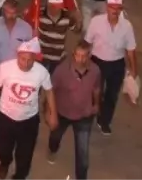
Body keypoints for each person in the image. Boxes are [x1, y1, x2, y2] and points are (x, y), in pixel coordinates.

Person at [0, 38, 58, 180]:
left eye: (29, 60)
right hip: (5, 117)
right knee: (1, 148)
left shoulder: (41, 72)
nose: (25, 63)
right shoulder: (5, 68)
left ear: (35, 58)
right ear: (17, 55)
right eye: (22, 59)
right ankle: (5, 162)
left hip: (29, 121)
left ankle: (19, 176)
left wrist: (53, 113)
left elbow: (49, 92)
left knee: (25, 156)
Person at [82, 0, 137, 136]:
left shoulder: (127, 26)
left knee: (112, 95)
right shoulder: (96, 22)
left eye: (118, 8)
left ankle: (104, 121)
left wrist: (133, 71)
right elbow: (87, 43)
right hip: (97, 62)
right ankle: (91, 114)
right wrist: (83, 63)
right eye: (112, 7)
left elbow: (131, 50)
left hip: (117, 64)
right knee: (95, 92)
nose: (115, 10)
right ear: (107, 7)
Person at [47, 41, 100, 180]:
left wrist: (96, 104)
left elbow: (96, 88)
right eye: (78, 55)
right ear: (73, 55)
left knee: (83, 154)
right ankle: (52, 149)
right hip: (62, 112)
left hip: (84, 116)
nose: (80, 59)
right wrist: (50, 111)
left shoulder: (95, 71)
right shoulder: (61, 70)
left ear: (89, 56)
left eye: (84, 56)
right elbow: (50, 90)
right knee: (55, 137)